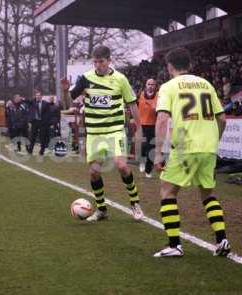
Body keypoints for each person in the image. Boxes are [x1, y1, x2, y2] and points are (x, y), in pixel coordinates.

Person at [154, 47, 230, 257]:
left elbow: (161, 119)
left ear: (170, 67)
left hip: (185, 147)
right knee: (208, 194)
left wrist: (159, 152)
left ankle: (174, 245)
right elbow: (222, 119)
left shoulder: (169, 87)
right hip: (207, 148)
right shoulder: (206, 84)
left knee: (167, 192)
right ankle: (222, 239)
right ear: (189, 65)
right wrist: (213, 141)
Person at [61, 45, 144, 222]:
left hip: (115, 130)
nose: (98, 65)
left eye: (101, 61)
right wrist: (65, 91)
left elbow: (132, 103)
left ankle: (135, 203)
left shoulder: (120, 79)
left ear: (109, 61)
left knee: (121, 165)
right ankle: (102, 210)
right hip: (94, 133)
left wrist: (139, 125)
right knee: (94, 172)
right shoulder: (85, 78)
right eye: (96, 61)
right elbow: (69, 103)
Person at [138, 78, 158, 178]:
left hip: (154, 124)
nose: (150, 86)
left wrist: (156, 110)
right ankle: (142, 161)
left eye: (152, 84)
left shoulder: (159, 96)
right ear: (146, 85)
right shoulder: (140, 94)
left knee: (152, 147)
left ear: (155, 86)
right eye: (148, 84)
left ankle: (148, 170)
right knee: (144, 145)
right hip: (143, 123)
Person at [25, 91, 51, 156]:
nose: (38, 96)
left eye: (39, 95)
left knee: (42, 137)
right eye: (37, 95)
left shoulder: (46, 104)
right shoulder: (33, 102)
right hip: (35, 122)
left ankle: (42, 150)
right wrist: (22, 99)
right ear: (35, 96)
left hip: (42, 122)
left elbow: (48, 114)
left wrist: (46, 122)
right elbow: (27, 101)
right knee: (33, 136)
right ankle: (30, 149)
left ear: (41, 97)